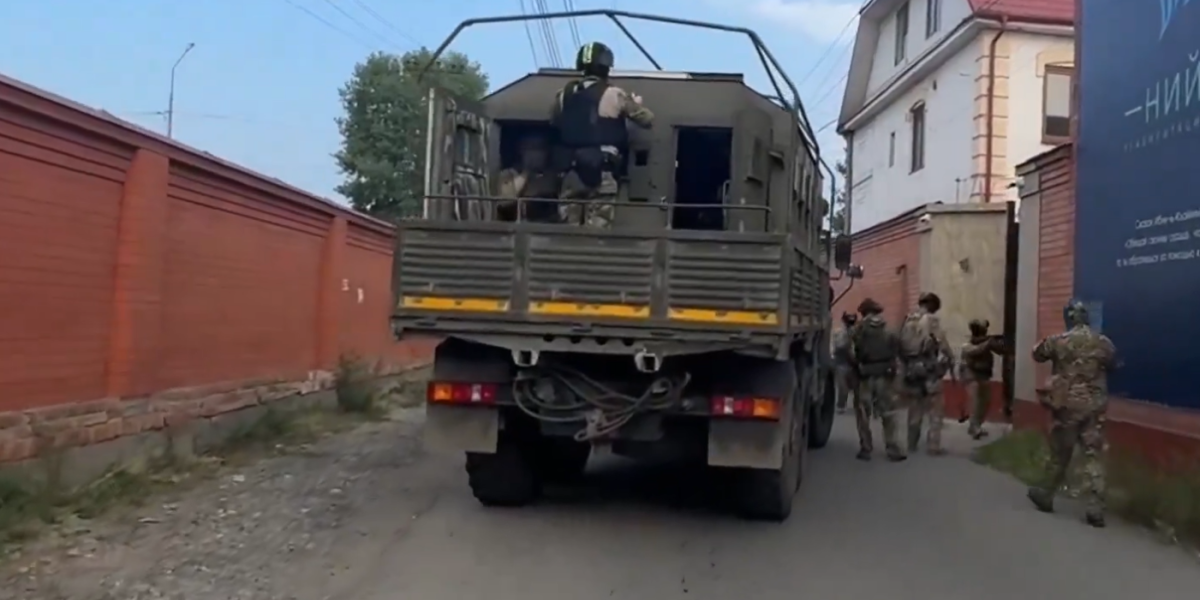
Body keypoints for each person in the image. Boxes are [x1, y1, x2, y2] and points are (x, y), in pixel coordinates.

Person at [1027, 300, 1118, 528]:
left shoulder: (1059, 341)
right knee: (1093, 454)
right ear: (1087, 318)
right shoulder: (1103, 342)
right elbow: (1114, 364)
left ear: (1070, 319)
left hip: (1067, 405)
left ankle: (1046, 494)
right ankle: (1095, 508)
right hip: (1095, 406)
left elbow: (1036, 354)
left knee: (1060, 452)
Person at [551, 41, 654, 228]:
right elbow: (647, 119)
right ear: (607, 67)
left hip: (570, 173)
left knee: (566, 233)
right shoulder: (614, 94)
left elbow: (555, 123)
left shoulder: (562, 95)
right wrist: (635, 102)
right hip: (601, 171)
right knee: (598, 230)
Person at [849, 298, 905, 462]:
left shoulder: (858, 329)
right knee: (888, 412)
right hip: (885, 375)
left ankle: (866, 448)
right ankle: (893, 448)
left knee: (863, 413)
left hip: (865, 375)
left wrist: (856, 366)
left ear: (863, 312)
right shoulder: (889, 327)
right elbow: (897, 348)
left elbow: (850, 352)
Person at [898, 292, 954, 455]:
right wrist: (950, 357)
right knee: (936, 408)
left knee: (915, 407)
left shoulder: (908, 319)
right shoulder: (931, 320)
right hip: (929, 369)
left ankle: (912, 443)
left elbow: (900, 345)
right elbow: (942, 343)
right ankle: (933, 446)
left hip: (912, 369)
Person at [959, 318, 1006, 439]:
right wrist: (988, 342)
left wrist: (998, 343)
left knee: (986, 400)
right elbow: (976, 350)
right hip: (969, 373)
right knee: (974, 400)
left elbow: (1001, 351)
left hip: (983, 374)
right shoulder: (967, 345)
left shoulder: (987, 342)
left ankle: (977, 425)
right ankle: (974, 427)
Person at [496, 135, 561, 223]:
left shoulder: (551, 177)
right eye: (532, 148)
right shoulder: (508, 174)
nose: (537, 153)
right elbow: (505, 201)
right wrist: (526, 172)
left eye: (540, 148)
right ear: (521, 150)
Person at [831, 312, 858, 414]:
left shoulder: (856, 332)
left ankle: (857, 405)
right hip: (841, 362)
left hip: (852, 363)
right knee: (843, 387)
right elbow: (838, 346)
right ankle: (841, 405)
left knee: (855, 386)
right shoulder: (839, 332)